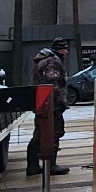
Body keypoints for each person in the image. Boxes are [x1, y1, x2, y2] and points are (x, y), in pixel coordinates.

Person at [28, 38, 72, 176]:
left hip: (43, 103)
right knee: (53, 132)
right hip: (51, 105)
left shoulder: (44, 60)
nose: (67, 52)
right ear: (61, 50)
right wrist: (59, 103)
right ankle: (51, 164)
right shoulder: (52, 62)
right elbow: (52, 85)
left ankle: (33, 165)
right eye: (65, 49)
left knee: (40, 133)